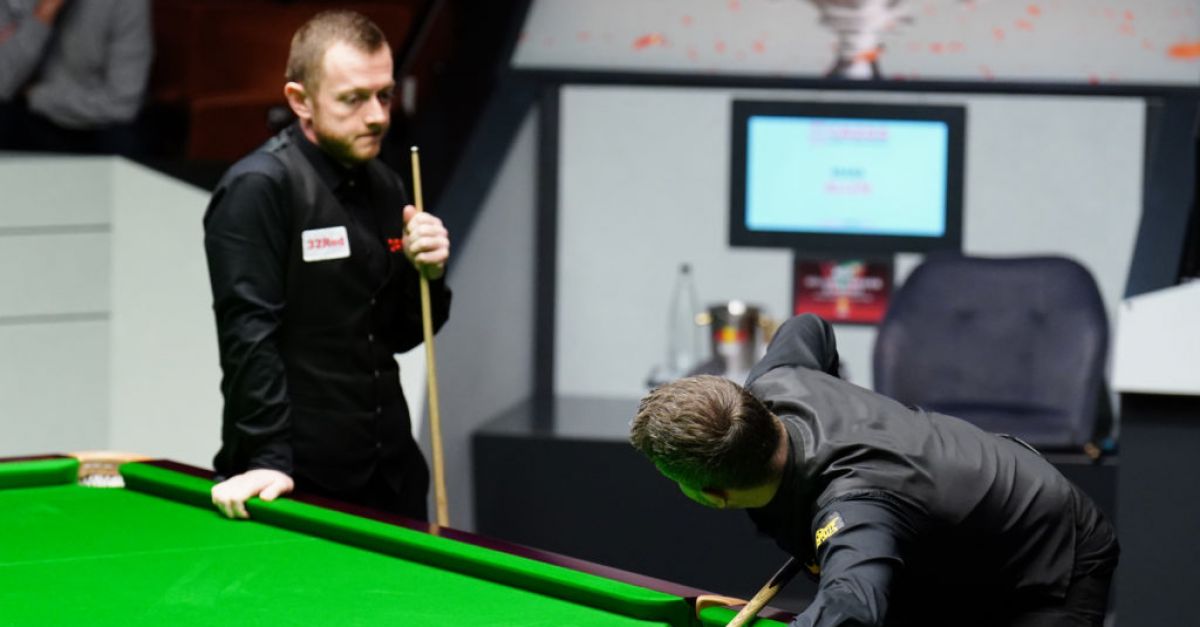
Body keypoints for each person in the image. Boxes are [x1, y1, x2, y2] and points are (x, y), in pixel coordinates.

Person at [630, 314, 1118, 627]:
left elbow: (853, 609)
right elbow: (809, 325)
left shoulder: (855, 507)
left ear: (715, 494)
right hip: (955, 525)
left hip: (1048, 556)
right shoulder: (777, 381)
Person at [203, 10, 451, 521]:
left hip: (391, 473)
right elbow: (249, 336)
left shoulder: (385, 184)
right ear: (300, 101)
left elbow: (399, 334)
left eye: (383, 94)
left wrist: (427, 274)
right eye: (353, 99)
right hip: (295, 477)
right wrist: (269, 459)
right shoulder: (260, 188)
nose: (378, 115)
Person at [0, 0, 153, 154]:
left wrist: (36, 95)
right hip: (24, 116)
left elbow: (123, 103)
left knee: (122, 141)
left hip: (94, 122)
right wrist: (43, 13)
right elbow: (3, 84)